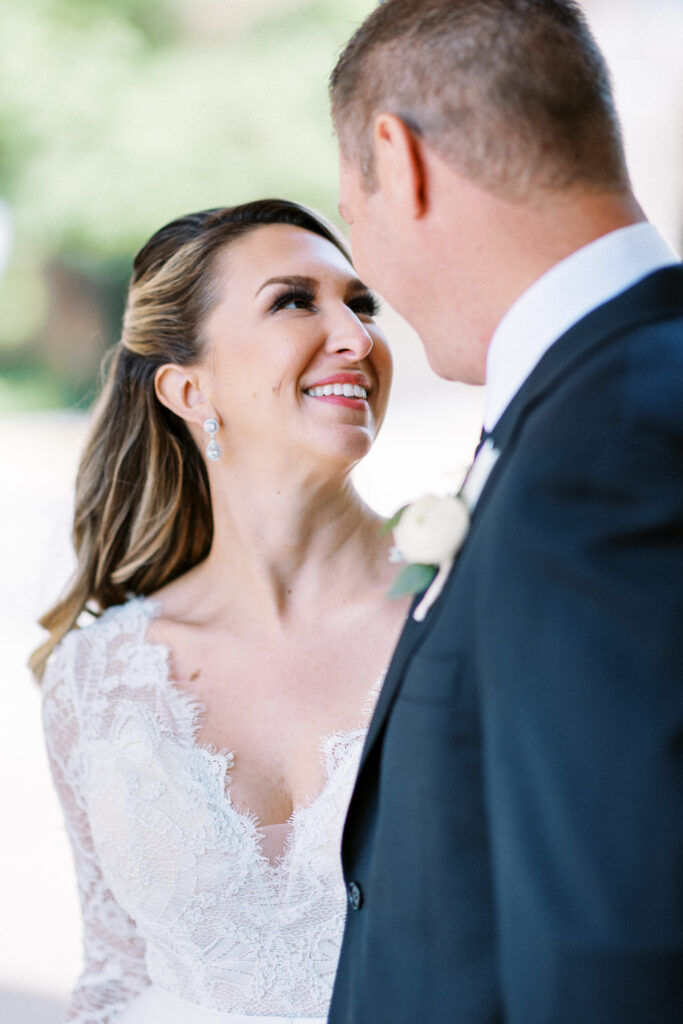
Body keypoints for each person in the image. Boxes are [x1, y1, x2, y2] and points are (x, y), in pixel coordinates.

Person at [327, 2, 683, 1022]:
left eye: (351, 208)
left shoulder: (602, 456)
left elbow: (615, 953)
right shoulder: (608, 395)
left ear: (396, 160)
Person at [32, 198, 410, 1024]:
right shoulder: (97, 678)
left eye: (360, 304)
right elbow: (114, 978)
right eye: (292, 301)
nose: (355, 337)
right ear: (187, 387)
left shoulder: (460, 611)